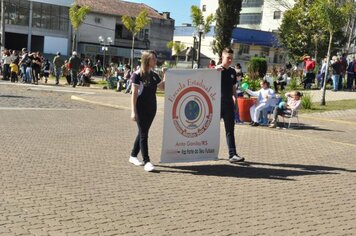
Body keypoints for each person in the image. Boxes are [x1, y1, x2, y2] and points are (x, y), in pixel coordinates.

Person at [129, 50, 165, 172]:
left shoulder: (154, 75)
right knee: (144, 134)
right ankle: (147, 161)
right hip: (141, 108)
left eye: (155, 59)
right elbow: (134, 94)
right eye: (153, 59)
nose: (155, 61)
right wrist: (133, 111)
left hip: (152, 108)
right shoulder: (137, 74)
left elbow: (162, 87)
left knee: (142, 132)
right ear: (147, 60)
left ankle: (133, 155)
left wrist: (165, 76)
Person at [216, 48, 244, 163]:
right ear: (222, 57)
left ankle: (232, 154)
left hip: (229, 104)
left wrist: (236, 102)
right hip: (216, 104)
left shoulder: (233, 72)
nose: (230, 60)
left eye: (231, 58)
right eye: (228, 58)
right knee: (210, 128)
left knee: (230, 130)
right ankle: (205, 152)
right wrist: (213, 70)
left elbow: (233, 88)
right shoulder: (216, 70)